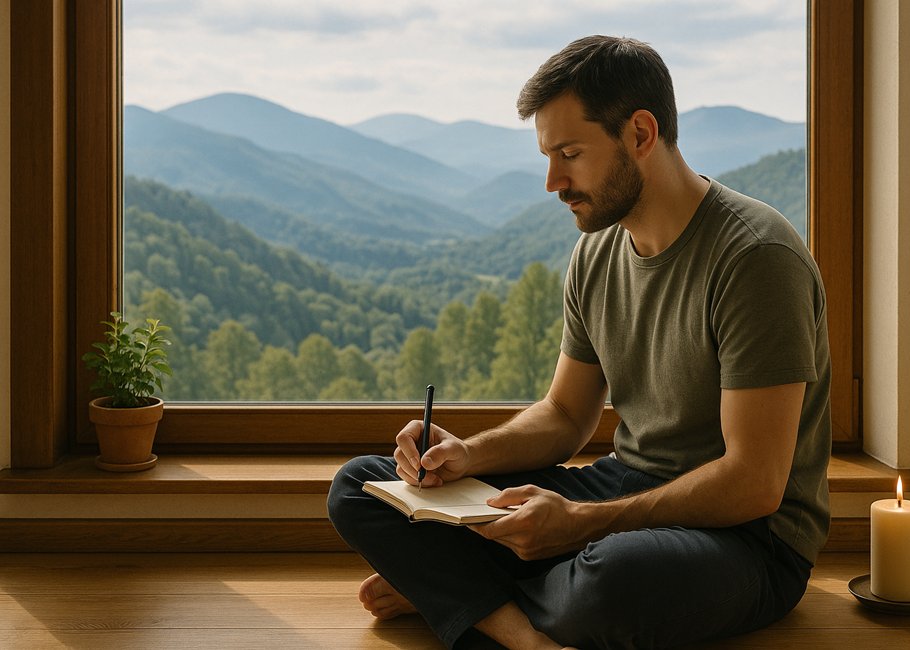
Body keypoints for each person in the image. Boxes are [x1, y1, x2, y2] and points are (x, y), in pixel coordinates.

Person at [328, 34, 831, 649]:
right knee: (360, 485)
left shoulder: (756, 258)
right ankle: (521, 630)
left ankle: (454, 594)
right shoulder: (596, 251)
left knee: (613, 583)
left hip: (748, 539)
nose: (551, 181)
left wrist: (577, 527)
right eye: (548, 155)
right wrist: (467, 456)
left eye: (569, 153)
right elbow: (566, 415)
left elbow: (753, 482)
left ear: (640, 134)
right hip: (623, 487)